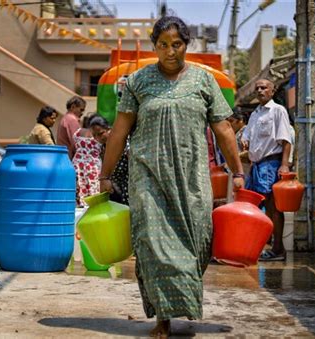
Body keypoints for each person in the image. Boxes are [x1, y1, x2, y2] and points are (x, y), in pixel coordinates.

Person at [98, 16, 244, 337]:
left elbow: (223, 129)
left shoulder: (205, 82)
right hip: (147, 176)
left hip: (191, 178)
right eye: (162, 45)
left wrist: (238, 171)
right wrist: (105, 174)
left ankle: (183, 300)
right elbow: (120, 132)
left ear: (186, 45)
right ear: (155, 46)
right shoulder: (137, 82)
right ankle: (163, 317)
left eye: (176, 44)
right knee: (153, 244)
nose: (169, 51)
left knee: (198, 242)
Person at [242, 78, 293, 262]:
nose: (260, 91)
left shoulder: (278, 110)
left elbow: (286, 140)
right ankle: (257, 246)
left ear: (272, 91)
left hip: (271, 164)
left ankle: (278, 249)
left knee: (273, 208)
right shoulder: (255, 114)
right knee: (253, 207)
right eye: (257, 88)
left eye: (264, 88)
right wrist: (244, 140)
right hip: (256, 166)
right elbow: (246, 135)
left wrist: (284, 164)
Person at [89, 115, 130, 205]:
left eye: (100, 133)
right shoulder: (103, 148)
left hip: (127, 184)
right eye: (94, 135)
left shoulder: (120, 142)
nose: (97, 138)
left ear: (108, 129)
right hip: (114, 187)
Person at [72, 114, 102, 207]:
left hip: (78, 164)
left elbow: (74, 147)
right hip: (92, 166)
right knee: (93, 191)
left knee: (79, 188)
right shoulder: (98, 134)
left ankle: (79, 206)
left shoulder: (78, 132)